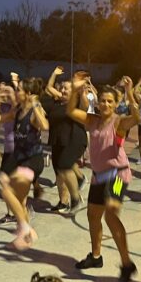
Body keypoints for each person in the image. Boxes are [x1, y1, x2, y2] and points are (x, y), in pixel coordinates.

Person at [66, 74, 140, 282]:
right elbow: (71, 111)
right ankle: (96, 256)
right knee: (93, 216)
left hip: (118, 175)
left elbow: (136, 118)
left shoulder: (119, 123)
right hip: (99, 176)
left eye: (110, 101)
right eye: (103, 100)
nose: (105, 104)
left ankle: (127, 264)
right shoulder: (93, 120)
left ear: (116, 104)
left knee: (111, 214)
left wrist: (130, 93)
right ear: (98, 102)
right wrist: (74, 89)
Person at [0, 77, 49, 250]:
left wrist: (36, 104)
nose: (16, 92)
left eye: (19, 89)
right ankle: (25, 236)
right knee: (20, 202)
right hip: (21, 160)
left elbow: (44, 125)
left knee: (6, 190)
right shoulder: (17, 111)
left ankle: (25, 228)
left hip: (33, 160)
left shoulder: (33, 111)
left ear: (28, 94)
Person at [44, 67, 87, 213]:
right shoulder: (58, 100)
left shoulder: (76, 102)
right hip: (57, 139)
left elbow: (85, 106)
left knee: (64, 166)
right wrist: (54, 74)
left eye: (66, 88)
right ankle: (63, 202)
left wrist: (80, 90)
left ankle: (76, 198)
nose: (62, 90)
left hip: (73, 138)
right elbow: (49, 87)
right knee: (59, 172)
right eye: (61, 88)